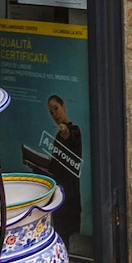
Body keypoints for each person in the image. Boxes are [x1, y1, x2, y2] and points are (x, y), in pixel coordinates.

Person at [45, 94, 85, 242]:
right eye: (51, 112)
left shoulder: (73, 130)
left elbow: (70, 134)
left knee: (71, 239)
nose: (54, 114)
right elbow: (54, 167)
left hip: (71, 198)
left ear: (63, 107)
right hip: (59, 197)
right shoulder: (57, 136)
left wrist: (65, 130)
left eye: (56, 108)